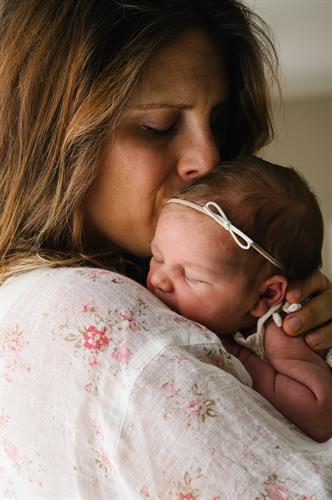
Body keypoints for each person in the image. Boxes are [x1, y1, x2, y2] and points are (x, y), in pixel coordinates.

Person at [1, 1, 332, 498]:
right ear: (51, 140)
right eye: (157, 126)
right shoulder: (97, 315)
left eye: (218, 122)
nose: (210, 158)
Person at [147, 157, 332, 442]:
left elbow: (319, 414)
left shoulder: (280, 329)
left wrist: (237, 357)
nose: (158, 279)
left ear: (266, 296)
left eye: (193, 277)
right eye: (157, 257)